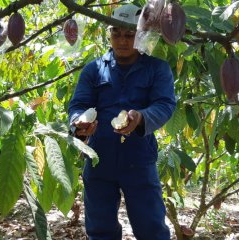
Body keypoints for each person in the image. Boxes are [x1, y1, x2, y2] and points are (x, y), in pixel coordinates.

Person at [68, 4, 176, 240]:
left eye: (130, 34)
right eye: (116, 33)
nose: (123, 40)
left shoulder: (157, 69)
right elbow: (78, 105)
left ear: (141, 34)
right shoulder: (94, 70)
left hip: (139, 160)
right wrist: (78, 123)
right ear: (109, 34)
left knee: (152, 229)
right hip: (99, 159)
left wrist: (141, 118)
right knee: (100, 230)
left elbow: (165, 104)